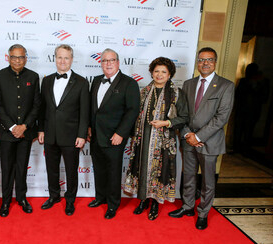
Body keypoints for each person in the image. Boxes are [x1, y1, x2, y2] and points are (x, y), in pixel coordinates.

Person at [168, 47, 235, 230]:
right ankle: (188, 206)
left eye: (210, 59)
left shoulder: (226, 86)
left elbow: (221, 117)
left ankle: (203, 213)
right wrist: (189, 135)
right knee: (188, 177)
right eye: (202, 60)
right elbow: (185, 113)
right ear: (197, 62)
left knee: (207, 181)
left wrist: (198, 136)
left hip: (209, 142)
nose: (205, 63)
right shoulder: (189, 84)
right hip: (188, 139)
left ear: (215, 62)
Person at [124, 57, 189, 220]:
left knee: (160, 171)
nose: (159, 75)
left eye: (163, 72)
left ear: (170, 74)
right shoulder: (144, 91)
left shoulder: (176, 93)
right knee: (142, 168)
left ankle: (155, 203)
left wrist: (166, 122)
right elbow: (134, 114)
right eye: (156, 71)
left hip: (163, 142)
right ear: (152, 73)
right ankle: (143, 200)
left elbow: (184, 117)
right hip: (143, 138)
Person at [88, 48, 140, 219]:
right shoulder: (95, 81)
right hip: (96, 135)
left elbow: (132, 111)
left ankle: (112, 204)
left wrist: (121, 133)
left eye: (111, 60)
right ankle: (100, 197)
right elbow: (92, 109)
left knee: (113, 172)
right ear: (101, 63)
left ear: (118, 62)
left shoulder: (129, 83)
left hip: (114, 137)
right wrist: (89, 127)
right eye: (104, 61)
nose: (108, 64)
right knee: (99, 169)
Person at [38, 44, 90, 216]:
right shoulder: (46, 80)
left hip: (71, 136)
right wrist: (41, 130)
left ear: (72, 59)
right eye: (59, 57)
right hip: (50, 135)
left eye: (66, 57)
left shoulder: (82, 82)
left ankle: (70, 200)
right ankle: (54, 196)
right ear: (55, 58)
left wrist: (82, 135)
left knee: (70, 171)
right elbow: (42, 108)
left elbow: (85, 112)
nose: (62, 61)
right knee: (51, 169)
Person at [0, 44, 41, 217]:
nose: (17, 60)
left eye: (21, 57)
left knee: (22, 167)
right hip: (6, 133)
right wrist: (13, 127)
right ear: (8, 57)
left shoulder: (34, 77)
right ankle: (5, 201)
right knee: (7, 168)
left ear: (26, 58)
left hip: (26, 132)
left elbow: (36, 105)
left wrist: (24, 126)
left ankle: (21, 198)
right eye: (14, 57)